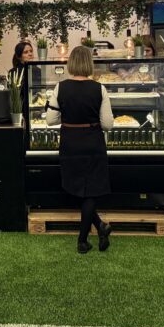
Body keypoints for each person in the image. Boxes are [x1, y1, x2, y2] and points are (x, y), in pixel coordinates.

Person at [45, 45, 114, 254]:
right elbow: (107, 124)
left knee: (77, 188)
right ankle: (90, 234)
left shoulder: (60, 87)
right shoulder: (99, 89)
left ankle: (91, 233)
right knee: (90, 190)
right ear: (89, 64)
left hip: (70, 143)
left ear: (71, 63)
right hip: (93, 143)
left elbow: (50, 120)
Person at [7, 40, 35, 117]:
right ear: (19, 57)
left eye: (31, 51)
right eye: (26, 52)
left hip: (35, 108)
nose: (30, 54)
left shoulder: (38, 71)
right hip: (19, 112)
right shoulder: (13, 72)